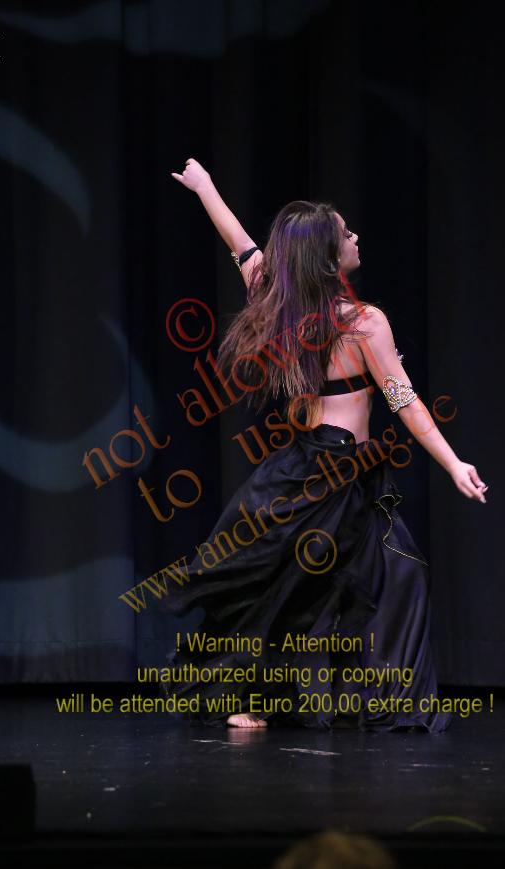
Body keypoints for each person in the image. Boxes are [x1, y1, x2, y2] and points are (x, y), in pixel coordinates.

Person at [161, 157, 488, 731]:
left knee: (326, 581)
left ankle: (303, 698)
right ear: (329, 258)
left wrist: (205, 186)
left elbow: (241, 245)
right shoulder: (363, 323)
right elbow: (406, 402)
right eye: (345, 234)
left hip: (311, 469)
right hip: (336, 474)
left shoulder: (277, 300)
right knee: (308, 583)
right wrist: (453, 462)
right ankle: (363, 704)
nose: (356, 236)